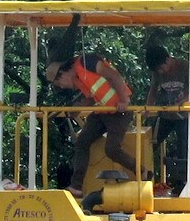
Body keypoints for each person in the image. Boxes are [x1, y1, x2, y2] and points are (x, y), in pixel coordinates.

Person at [45, 51, 137, 194]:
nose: (62, 87)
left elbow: (114, 75)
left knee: (112, 149)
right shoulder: (79, 78)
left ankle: (141, 171)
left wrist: (124, 100)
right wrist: (76, 109)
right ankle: (76, 186)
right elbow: (91, 98)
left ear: (63, 73)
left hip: (119, 112)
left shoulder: (86, 62)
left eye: (59, 83)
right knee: (81, 142)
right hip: (102, 112)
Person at [144, 36, 190, 192]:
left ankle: (182, 185)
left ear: (167, 60)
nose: (160, 72)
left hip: (183, 117)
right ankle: (144, 177)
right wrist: (148, 107)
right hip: (165, 116)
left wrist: (181, 103)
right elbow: (153, 90)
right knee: (149, 143)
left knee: (183, 149)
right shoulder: (157, 73)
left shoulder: (185, 67)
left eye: (160, 68)